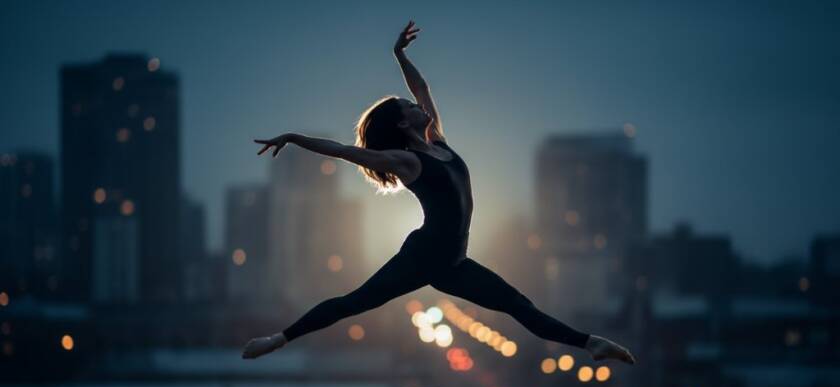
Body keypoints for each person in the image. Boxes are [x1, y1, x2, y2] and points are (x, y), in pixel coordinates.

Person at [242, 20, 635, 365]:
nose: (417, 104)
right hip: (422, 256)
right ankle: (277, 340)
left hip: (454, 263)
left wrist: (398, 54)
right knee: (355, 302)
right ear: (401, 123)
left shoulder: (438, 142)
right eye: (408, 105)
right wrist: (293, 138)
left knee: (519, 306)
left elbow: (422, 86)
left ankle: (591, 344)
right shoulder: (407, 161)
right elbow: (346, 151)